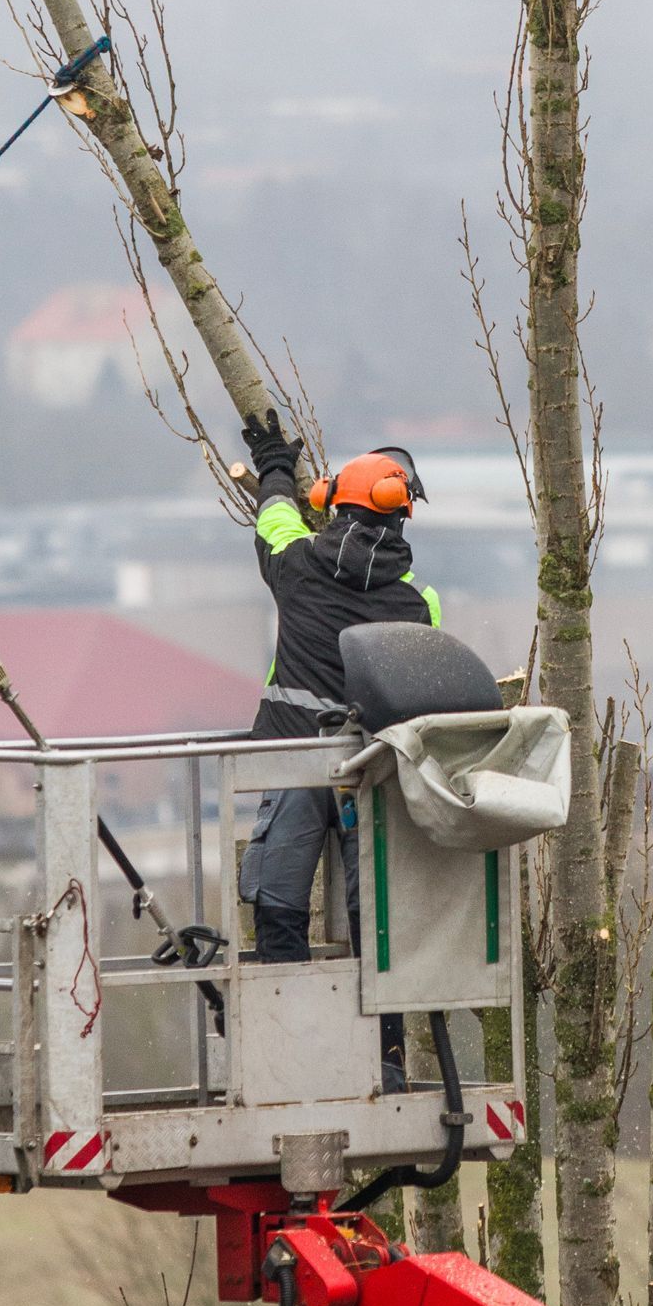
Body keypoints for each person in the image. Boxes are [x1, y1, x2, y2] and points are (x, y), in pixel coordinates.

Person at [236, 412, 440, 965]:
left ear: (330, 503)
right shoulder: (419, 604)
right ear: (403, 515)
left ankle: (285, 1021)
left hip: (292, 762)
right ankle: (387, 1047)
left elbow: (275, 517)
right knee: (374, 922)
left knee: (278, 903)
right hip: (370, 774)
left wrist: (274, 465)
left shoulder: (297, 565)